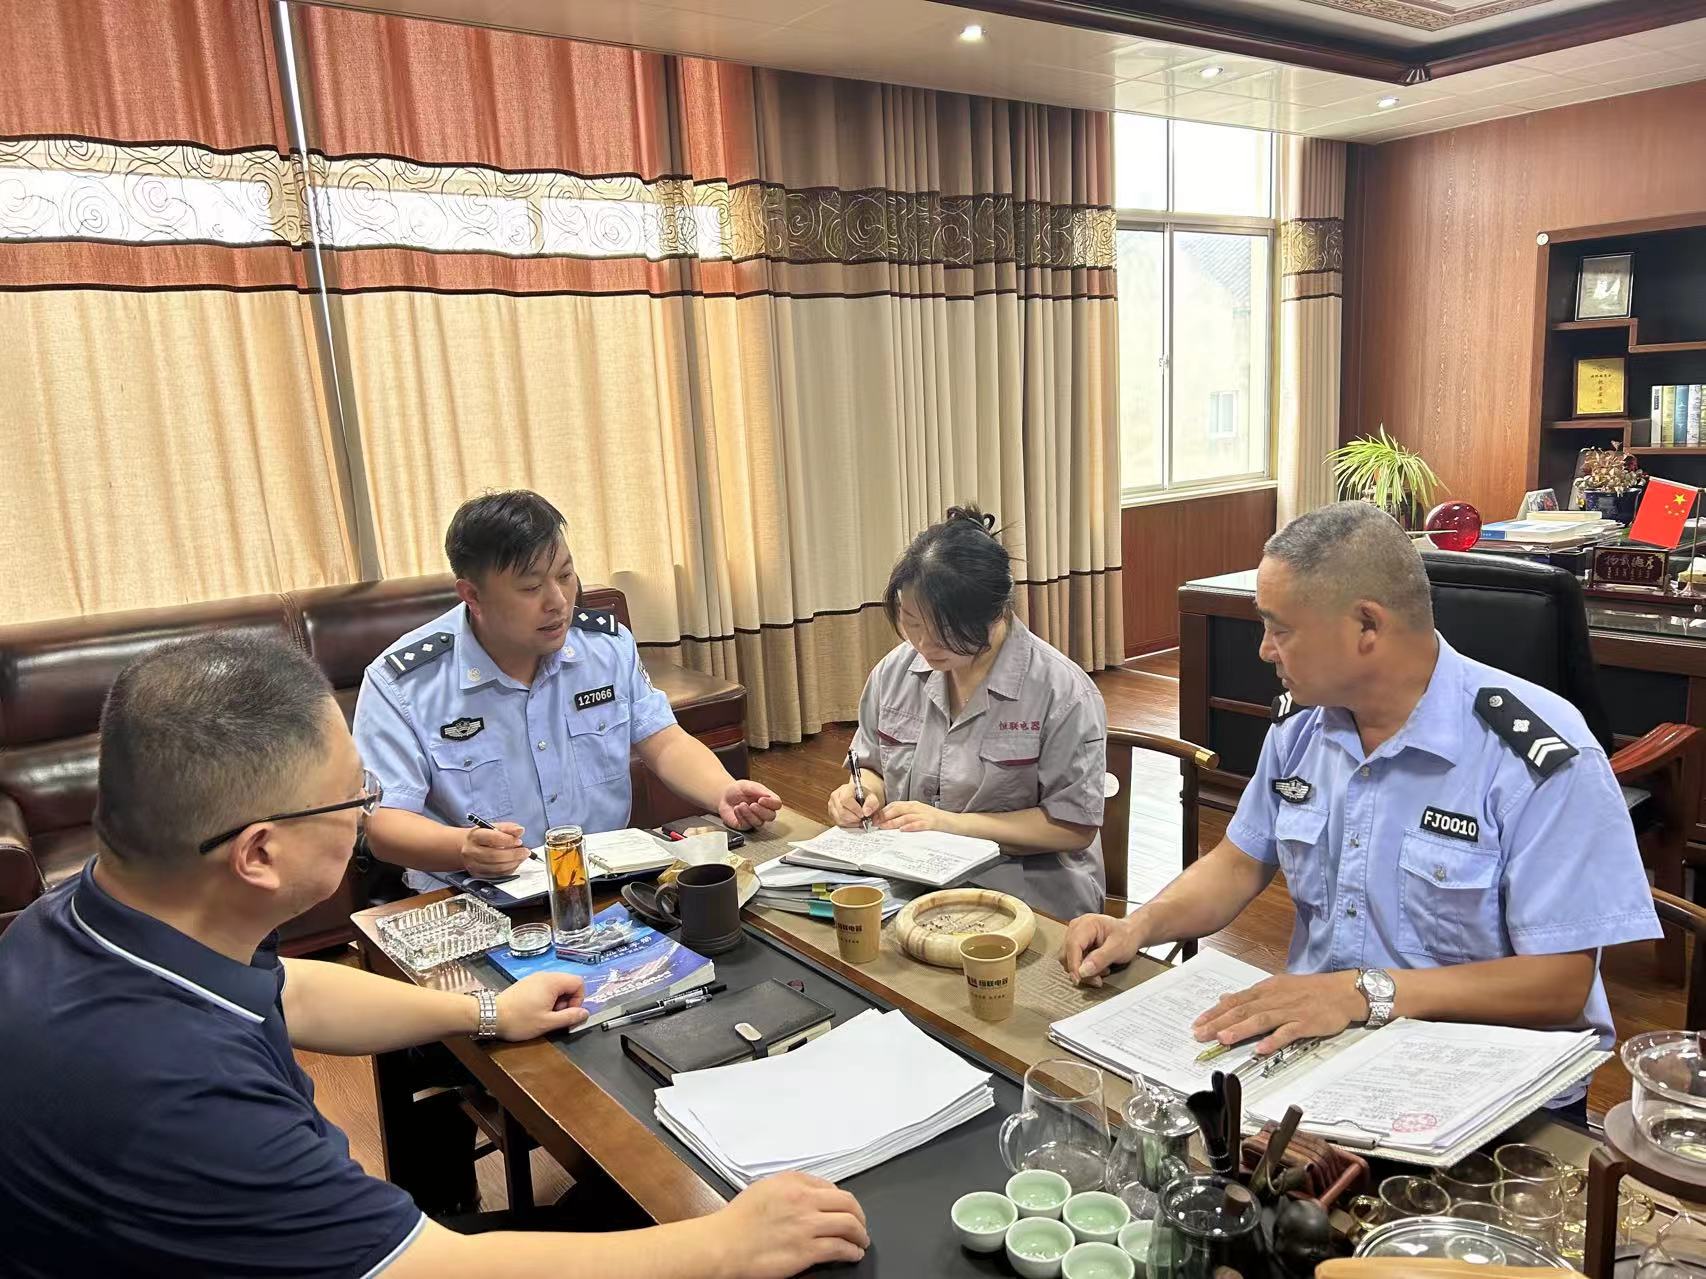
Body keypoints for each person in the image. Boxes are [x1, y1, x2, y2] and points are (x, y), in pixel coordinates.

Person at [0, 633, 867, 1278]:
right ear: (258, 852)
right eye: (354, 796)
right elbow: (429, 1268)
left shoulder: (76, 921)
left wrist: (487, 1008)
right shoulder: (176, 1094)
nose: (364, 811)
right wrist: (724, 1244)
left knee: (604, 1205)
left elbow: (286, 990)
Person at [1060, 501, 1660, 1109]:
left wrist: (1360, 993)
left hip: (1481, 1082)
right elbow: (1239, 863)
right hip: (1321, 1052)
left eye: (1281, 629)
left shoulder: (1535, 755)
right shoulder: (1303, 727)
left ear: (1367, 626)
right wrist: (1138, 926)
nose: (1265, 650)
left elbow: (1560, 984)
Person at [354, 490, 780, 892]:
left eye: (565, 575)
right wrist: (463, 847)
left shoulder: (605, 647)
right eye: (530, 587)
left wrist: (721, 791)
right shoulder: (404, 682)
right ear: (472, 596)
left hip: (605, 883)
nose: (558, 601)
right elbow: (383, 823)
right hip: (473, 895)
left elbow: (663, 741)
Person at [827, 506, 1110, 920]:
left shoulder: (1062, 693)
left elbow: (1073, 827)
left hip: (1025, 889)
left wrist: (951, 825)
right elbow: (871, 766)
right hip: (911, 874)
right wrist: (860, 795)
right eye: (912, 623)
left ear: (996, 614)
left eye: (945, 630)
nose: (924, 645)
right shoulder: (894, 672)